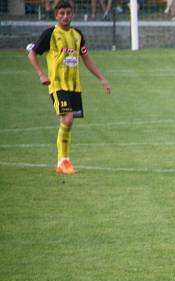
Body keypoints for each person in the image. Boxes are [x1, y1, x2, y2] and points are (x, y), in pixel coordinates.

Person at [27, 0, 112, 175]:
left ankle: (61, 162)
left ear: (72, 14)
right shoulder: (50, 34)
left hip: (74, 87)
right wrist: (42, 74)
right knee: (68, 119)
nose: (65, 16)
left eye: (68, 13)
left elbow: (86, 58)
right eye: (62, 13)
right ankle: (64, 161)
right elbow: (32, 53)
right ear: (56, 15)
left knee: (67, 123)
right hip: (57, 85)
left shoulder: (77, 34)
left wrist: (102, 79)